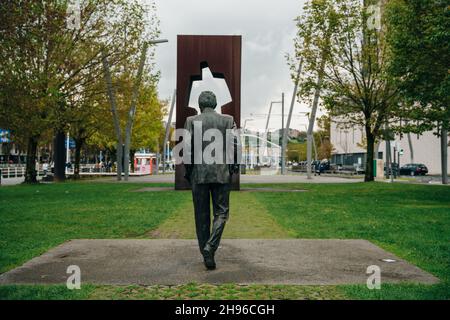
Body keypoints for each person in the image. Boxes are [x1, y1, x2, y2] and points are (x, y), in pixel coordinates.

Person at [183, 91, 240, 270]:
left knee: (201, 216)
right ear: (215, 104)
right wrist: (234, 166)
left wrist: (188, 171)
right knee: (221, 213)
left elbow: (187, 149)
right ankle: (211, 247)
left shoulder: (192, 121)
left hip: (199, 175)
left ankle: (205, 252)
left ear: (200, 105)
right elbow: (235, 145)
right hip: (221, 174)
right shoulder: (228, 120)